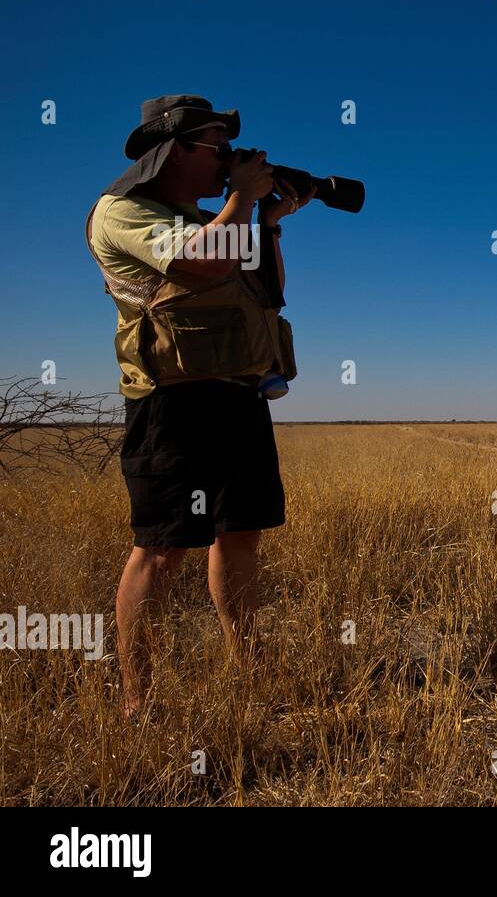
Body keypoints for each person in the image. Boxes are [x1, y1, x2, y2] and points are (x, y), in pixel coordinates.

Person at [86, 96, 314, 716]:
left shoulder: (214, 217)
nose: (229, 160)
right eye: (218, 147)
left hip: (239, 396)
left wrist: (266, 221)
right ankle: (140, 700)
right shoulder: (123, 211)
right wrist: (241, 199)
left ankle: (249, 667)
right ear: (175, 150)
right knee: (163, 548)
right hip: (173, 402)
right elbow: (203, 261)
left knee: (240, 536)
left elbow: (268, 290)